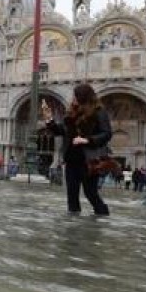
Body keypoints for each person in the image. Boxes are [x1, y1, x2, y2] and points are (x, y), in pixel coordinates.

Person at [44, 83, 112, 215]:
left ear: (84, 97)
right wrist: (49, 119)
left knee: (91, 193)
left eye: (75, 96)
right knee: (72, 196)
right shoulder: (72, 112)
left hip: (89, 161)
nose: (73, 98)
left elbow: (107, 133)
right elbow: (62, 131)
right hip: (72, 160)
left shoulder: (99, 112)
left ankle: (103, 217)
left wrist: (87, 140)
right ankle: (73, 227)